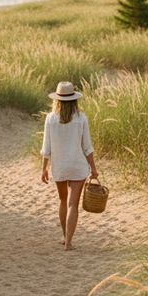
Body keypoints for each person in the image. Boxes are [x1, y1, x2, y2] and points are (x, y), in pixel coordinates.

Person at [40, 81, 99, 251]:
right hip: (77, 166)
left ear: (57, 100)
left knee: (63, 200)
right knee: (73, 204)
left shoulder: (50, 118)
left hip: (59, 166)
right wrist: (93, 169)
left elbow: (47, 148)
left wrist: (44, 168)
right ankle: (69, 243)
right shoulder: (81, 118)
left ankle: (65, 236)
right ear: (74, 100)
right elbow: (87, 147)